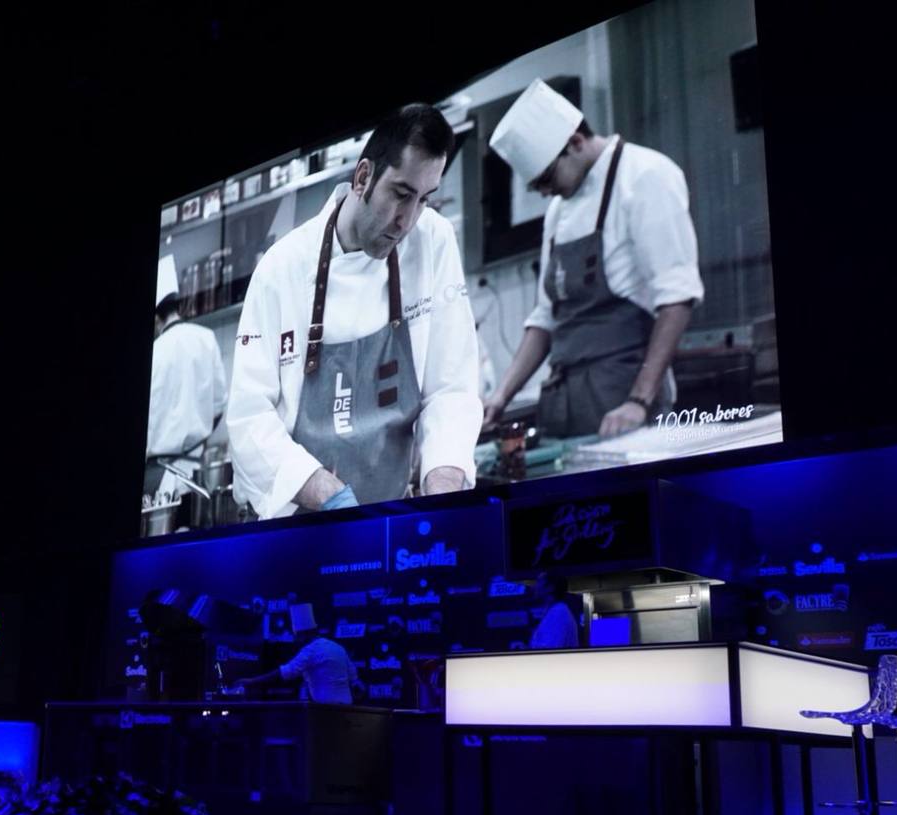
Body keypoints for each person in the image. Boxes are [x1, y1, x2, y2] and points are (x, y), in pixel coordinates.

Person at [227, 104, 485, 518]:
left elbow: (451, 388)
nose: (407, 221)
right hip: (303, 525)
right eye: (401, 195)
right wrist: (331, 497)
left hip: (395, 518)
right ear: (363, 177)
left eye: (424, 199)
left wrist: (442, 488)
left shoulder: (433, 240)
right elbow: (248, 419)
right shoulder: (281, 268)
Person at [483, 79, 703, 439]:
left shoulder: (645, 176)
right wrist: (500, 396)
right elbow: (546, 318)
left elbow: (677, 298)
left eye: (547, 178)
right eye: (536, 187)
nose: (545, 193)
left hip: (623, 398)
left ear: (575, 142)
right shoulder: (559, 209)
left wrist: (639, 401)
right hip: (563, 400)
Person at [145, 291, 228, 501]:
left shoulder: (155, 351)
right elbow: (219, 404)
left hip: (155, 477)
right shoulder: (206, 338)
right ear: (179, 310)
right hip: (194, 472)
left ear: (157, 318)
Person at [235, 603, 361, 704]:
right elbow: (354, 678)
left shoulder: (310, 651)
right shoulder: (338, 648)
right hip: (347, 710)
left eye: (297, 636)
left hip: (326, 711)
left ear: (303, 634)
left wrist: (251, 681)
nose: (296, 640)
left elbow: (286, 671)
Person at [528, 571, 580, 650]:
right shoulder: (555, 612)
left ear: (550, 588)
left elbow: (549, 651)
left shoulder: (558, 613)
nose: (534, 586)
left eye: (538, 582)